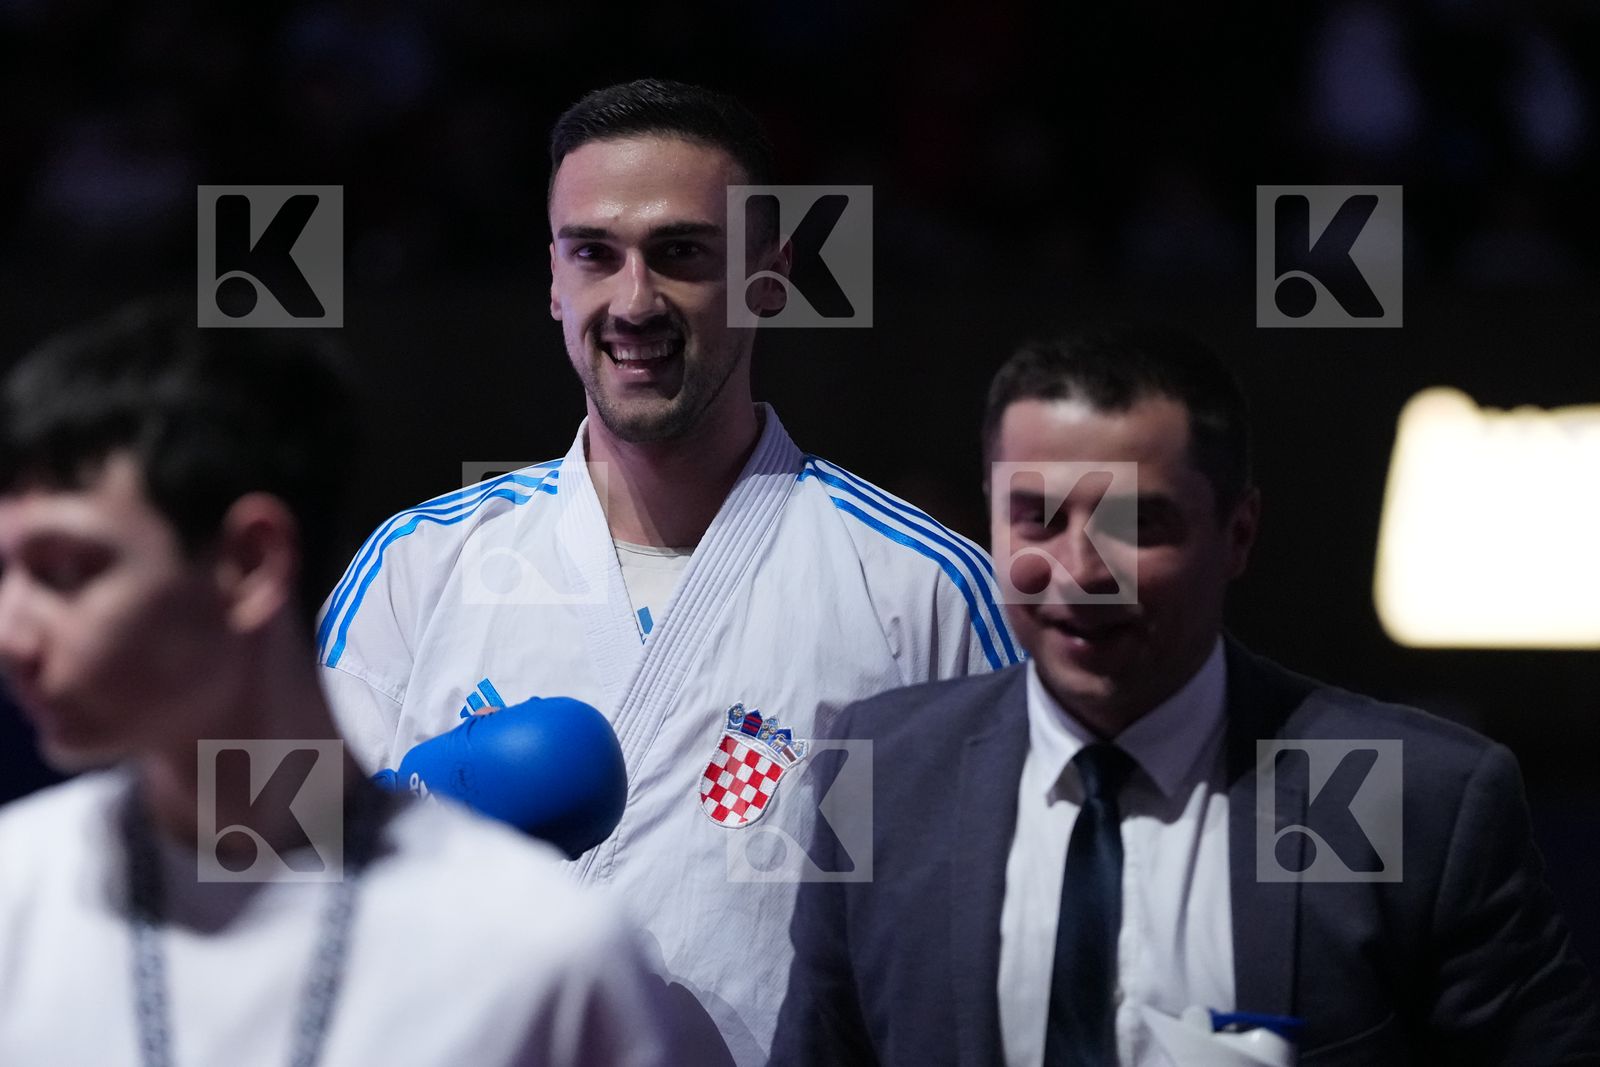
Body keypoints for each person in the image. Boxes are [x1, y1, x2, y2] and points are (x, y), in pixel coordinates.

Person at [316, 78, 1018, 1064]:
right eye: (594, 255)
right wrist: (402, 819)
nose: (634, 300)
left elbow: (1012, 931)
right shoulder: (416, 566)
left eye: (681, 254)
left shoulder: (927, 588)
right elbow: (273, 896)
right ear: (553, 281)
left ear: (769, 275)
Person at [772, 326, 1600, 1066]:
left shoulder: (1417, 795)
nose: (1083, 571)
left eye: (1136, 524)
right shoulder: (880, 772)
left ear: (1238, 533)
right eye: (1036, 518)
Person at [0, 302, 682, 1066]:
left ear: (249, 564)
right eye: (4, 573)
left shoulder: (545, 956)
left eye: (64, 572)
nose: (11, 634)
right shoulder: (13, 902)